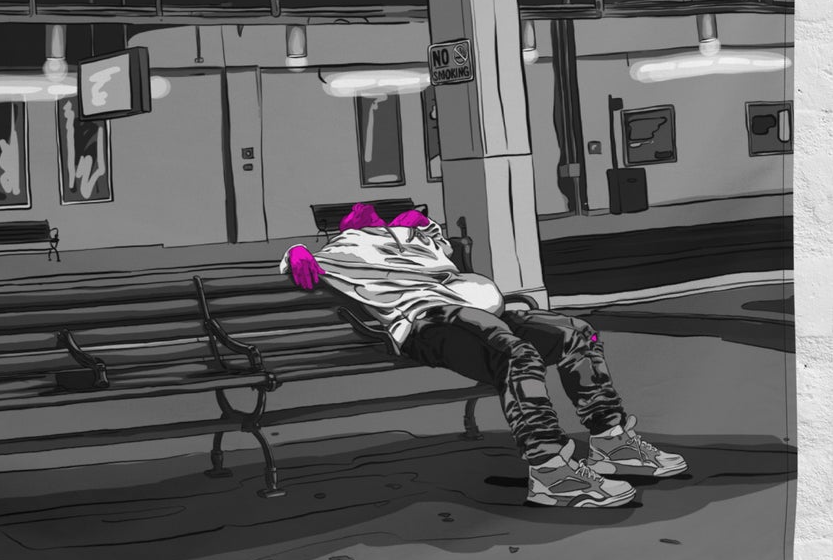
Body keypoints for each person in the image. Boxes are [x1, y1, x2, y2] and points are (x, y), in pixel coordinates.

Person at [282, 201, 685, 507]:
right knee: (517, 354)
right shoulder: (348, 247)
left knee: (573, 333)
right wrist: (298, 253)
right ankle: (550, 471)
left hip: (476, 310)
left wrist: (422, 232)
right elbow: (297, 261)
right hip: (428, 323)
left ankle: (611, 441)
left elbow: (448, 264)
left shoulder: (418, 241)